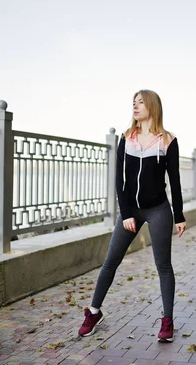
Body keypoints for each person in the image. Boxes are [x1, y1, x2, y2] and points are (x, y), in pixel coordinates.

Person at [78, 89, 187, 342]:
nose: (135, 106)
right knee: (111, 260)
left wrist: (179, 215)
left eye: (140, 102)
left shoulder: (167, 141)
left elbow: (175, 181)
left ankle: (167, 321)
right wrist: (126, 212)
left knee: (163, 266)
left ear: (152, 106)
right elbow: (120, 179)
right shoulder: (127, 138)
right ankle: (94, 312)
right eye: (133, 102)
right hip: (131, 211)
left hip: (159, 210)